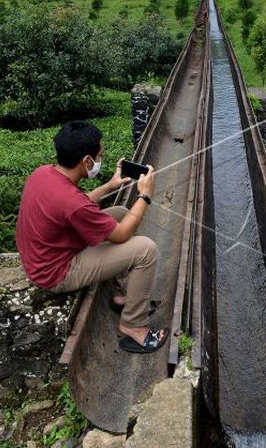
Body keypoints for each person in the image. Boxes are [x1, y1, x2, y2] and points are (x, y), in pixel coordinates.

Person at [16, 120, 168, 354]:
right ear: (87, 161)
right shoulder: (72, 202)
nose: (99, 161)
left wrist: (110, 185)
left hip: (46, 254)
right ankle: (133, 325)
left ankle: (123, 295)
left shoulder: (44, 173)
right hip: (57, 272)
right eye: (99, 156)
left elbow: (76, 203)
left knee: (121, 213)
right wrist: (145, 196)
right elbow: (120, 235)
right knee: (146, 250)